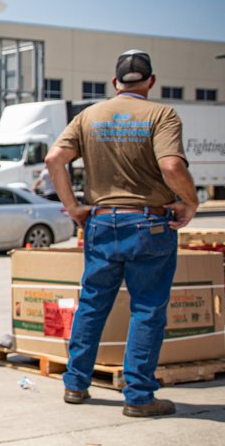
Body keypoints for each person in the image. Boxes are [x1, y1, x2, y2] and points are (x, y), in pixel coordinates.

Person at [44, 50, 197, 417]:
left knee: (93, 303)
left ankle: (75, 383)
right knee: (147, 309)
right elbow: (171, 166)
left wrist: (73, 207)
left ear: (115, 82)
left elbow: (54, 159)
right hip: (149, 224)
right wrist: (190, 201)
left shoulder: (89, 115)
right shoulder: (161, 115)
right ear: (151, 81)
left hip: (101, 222)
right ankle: (139, 396)